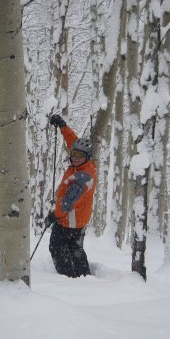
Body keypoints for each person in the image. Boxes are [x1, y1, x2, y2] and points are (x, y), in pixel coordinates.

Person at [45, 114, 97, 278]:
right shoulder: (84, 163)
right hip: (79, 217)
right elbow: (73, 142)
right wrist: (63, 127)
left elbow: (68, 202)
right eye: (73, 153)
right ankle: (83, 274)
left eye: (78, 156)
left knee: (56, 246)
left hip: (70, 219)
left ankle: (68, 278)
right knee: (74, 246)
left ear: (86, 157)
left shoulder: (83, 178)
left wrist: (54, 215)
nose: (73, 157)